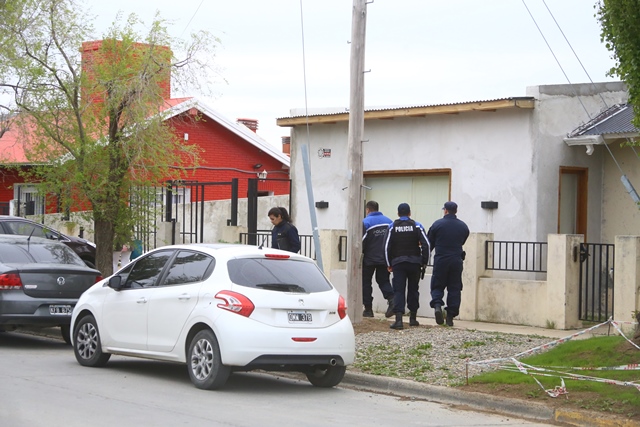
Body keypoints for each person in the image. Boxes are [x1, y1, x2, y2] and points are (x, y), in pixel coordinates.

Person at [384, 203, 430, 330]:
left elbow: (386, 246)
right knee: (413, 289)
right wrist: (424, 262)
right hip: (414, 262)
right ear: (410, 213)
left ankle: (399, 320)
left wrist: (389, 264)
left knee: (398, 290)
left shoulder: (392, 227)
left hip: (398, 263)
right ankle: (413, 319)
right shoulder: (417, 225)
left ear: (398, 213)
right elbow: (426, 245)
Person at [427, 201, 470, 327]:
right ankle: (450, 316)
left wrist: (423, 259)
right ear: (455, 211)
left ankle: (437, 306)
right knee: (455, 288)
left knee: (437, 285)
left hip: (441, 259)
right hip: (456, 260)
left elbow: (430, 243)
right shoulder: (463, 226)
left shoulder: (437, 224)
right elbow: (462, 241)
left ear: (445, 210)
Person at [362, 201, 394, 318]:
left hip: (369, 259)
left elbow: (361, 242)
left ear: (368, 210)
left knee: (366, 283)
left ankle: (368, 309)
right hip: (385, 258)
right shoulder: (389, 221)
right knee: (383, 280)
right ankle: (392, 300)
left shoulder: (366, 222)